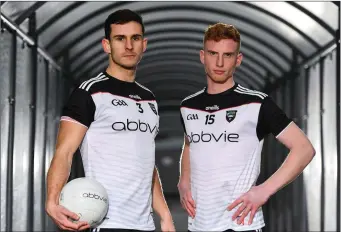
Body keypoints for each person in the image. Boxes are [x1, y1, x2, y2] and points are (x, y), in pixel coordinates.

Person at [45, 9, 175, 232]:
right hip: (105, 222)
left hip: (144, 226)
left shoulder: (149, 99)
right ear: (106, 45)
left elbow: (146, 164)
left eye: (135, 38)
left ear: (144, 44)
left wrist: (165, 215)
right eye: (120, 38)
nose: (128, 46)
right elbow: (64, 152)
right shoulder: (89, 93)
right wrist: (51, 201)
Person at [177, 23, 315, 232]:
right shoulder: (188, 106)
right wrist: (184, 180)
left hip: (241, 225)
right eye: (213, 53)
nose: (220, 62)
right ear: (202, 56)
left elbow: (304, 148)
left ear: (238, 60)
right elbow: (190, 143)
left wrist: (264, 190)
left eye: (228, 55)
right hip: (199, 224)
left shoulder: (257, 103)